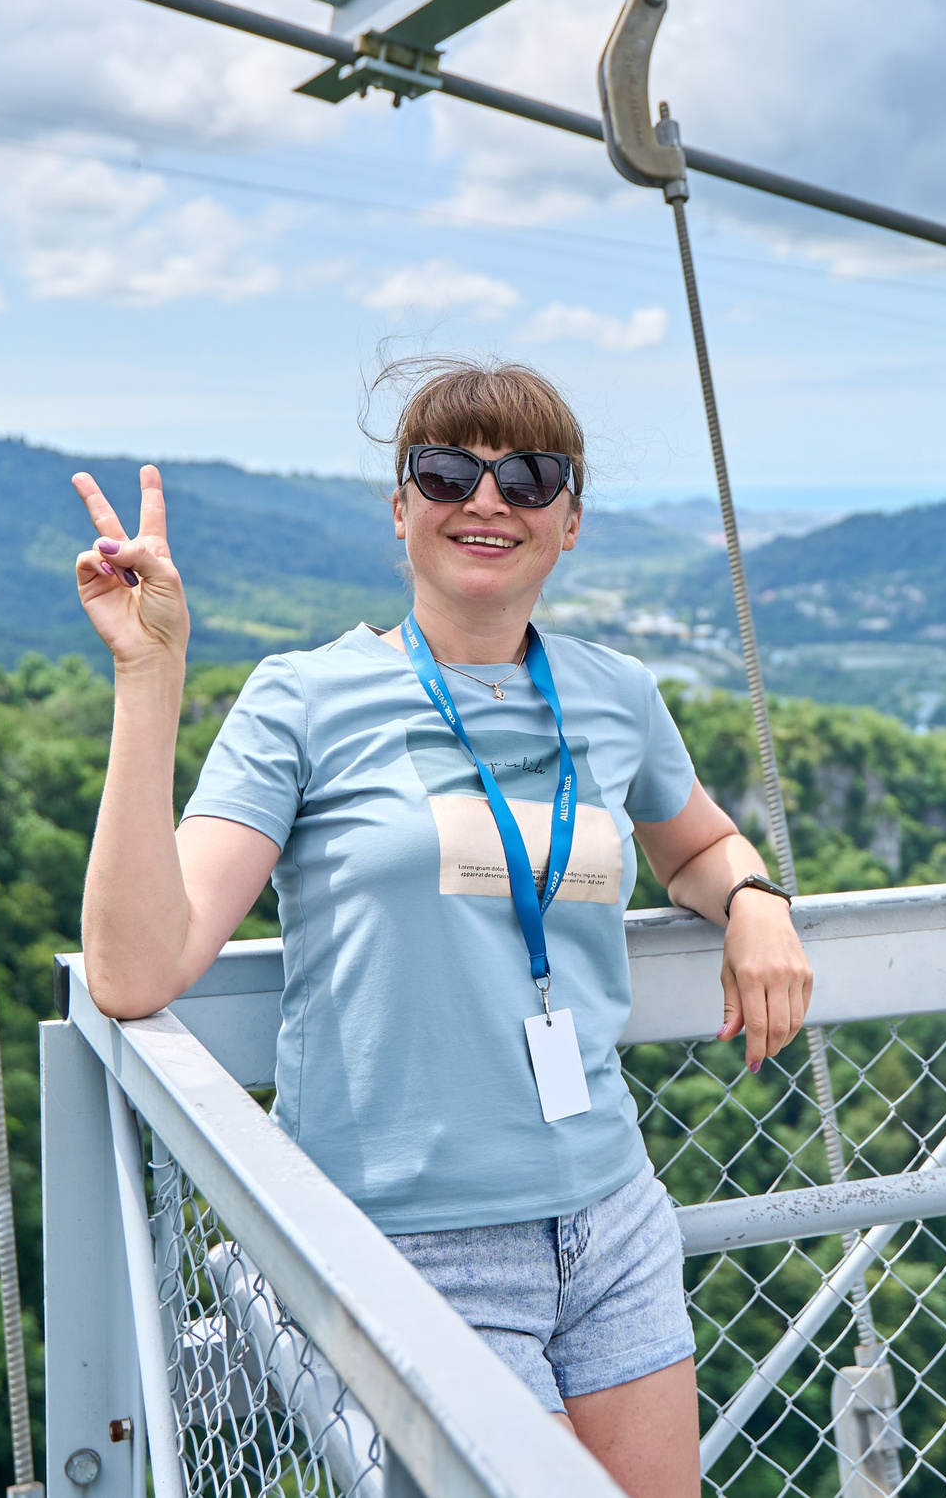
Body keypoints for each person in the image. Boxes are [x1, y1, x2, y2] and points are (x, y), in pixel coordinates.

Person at [74, 358, 813, 1498]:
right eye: (445, 471)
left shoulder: (616, 695)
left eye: (527, 476)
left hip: (608, 1216)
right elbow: (135, 971)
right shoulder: (303, 699)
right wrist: (149, 675)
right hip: (405, 1240)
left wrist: (755, 901)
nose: (486, 499)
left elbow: (700, 846)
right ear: (399, 509)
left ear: (569, 522)